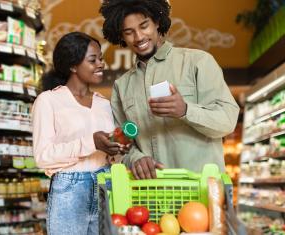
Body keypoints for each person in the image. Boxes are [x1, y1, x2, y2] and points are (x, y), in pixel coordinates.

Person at [99, 0, 240, 179]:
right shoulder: (122, 86)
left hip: (201, 190)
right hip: (151, 195)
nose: (139, 37)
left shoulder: (198, 62)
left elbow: (227, 121)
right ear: (121, 36)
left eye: (144, 26)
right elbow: (122, 142)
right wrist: (136, 158)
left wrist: (185, 110)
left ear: (157, 22)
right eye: (129, 32)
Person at [32, 32, 122, 235]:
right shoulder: (48, 101)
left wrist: (118, 148)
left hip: (105, 184)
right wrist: (91, 142)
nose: (101, 64)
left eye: (101, 58)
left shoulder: (105, 105)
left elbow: (111, 154)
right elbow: (43, 157)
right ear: (73, 65)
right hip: (69, 190)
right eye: (93, 60)